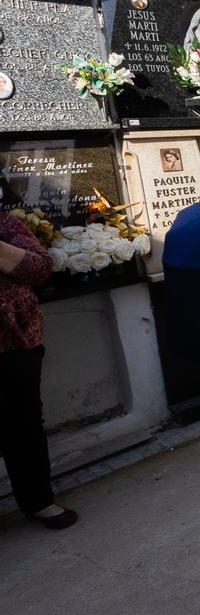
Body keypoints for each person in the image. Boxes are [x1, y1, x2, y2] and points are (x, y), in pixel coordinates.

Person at [0, 206, 78, 530]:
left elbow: (41, 268)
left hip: (14, 345)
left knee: (23, 424)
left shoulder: (4, 224)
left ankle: (39, 501)